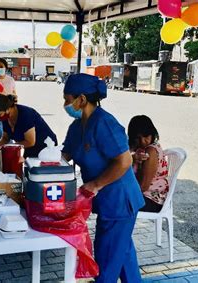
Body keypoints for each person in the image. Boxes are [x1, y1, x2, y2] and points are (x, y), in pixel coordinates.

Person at [61, 73, 144, 283]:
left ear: (81, 99)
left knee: (107, 255)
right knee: (122, 252)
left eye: (67, 99)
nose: (65, 104)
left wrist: (96, 184)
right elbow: (64, 156)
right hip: (105, 200)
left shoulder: (104, 123)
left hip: (119, 200)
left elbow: (124, 161)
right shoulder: (76, 127)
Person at [0, 94, 57, 158]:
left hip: (46, 148)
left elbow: (30, 142)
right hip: (29, 149)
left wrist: (9, 147)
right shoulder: (6, 118)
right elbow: (6, 138)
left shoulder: (26, 115)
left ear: (8, 109)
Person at [128, 115, 169, 213]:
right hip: (144, 196)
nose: (143, 141)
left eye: (146, 136)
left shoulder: (150, 151)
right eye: (138, 138)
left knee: (115, 203)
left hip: (152, 200)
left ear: (152, 134)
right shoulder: (137, 149)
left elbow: (143, 187)